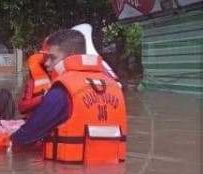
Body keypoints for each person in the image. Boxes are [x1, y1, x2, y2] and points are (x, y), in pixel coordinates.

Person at [10, 28, 127, 164]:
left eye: (52, 57)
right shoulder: (114, 87)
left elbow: (24, 138)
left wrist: (8, 141)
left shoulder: (62, 92)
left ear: (71, 56)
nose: (47, 63)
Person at [16, 42, 51, 117]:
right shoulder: (34, 79)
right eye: (47, 56)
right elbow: (22, 107)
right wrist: (43, 98)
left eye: (52, 57)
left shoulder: (70, 78)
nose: (48, 62)